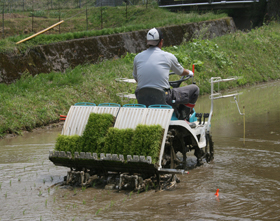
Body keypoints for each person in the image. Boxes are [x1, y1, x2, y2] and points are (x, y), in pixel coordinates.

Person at [132, 27, 200, 120]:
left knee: (138, 90)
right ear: (161, 42)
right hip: (164, 96)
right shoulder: (168, 56)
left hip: (144, 97)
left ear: (147, 42)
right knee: (195, 89)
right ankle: (182, 116)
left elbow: (137, 79)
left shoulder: (137, 57)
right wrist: (189, 72)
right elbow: (180, 72)